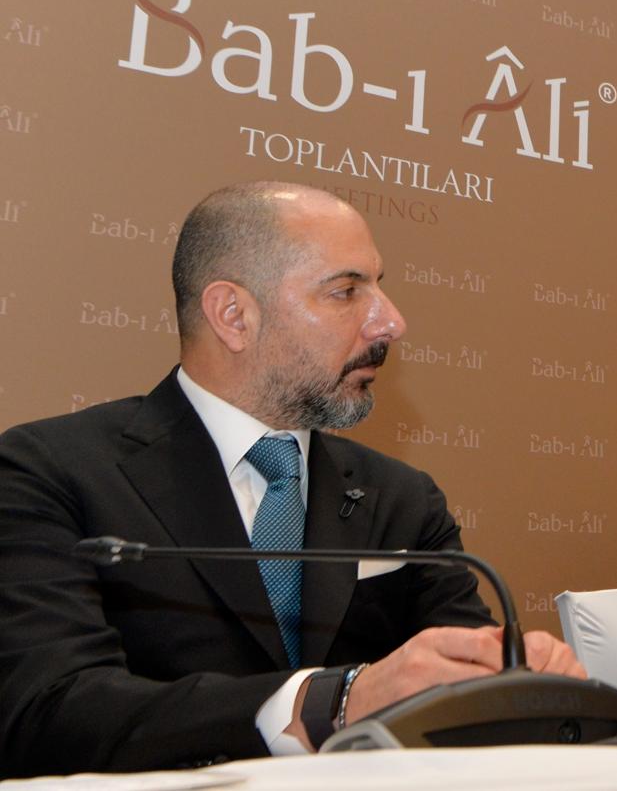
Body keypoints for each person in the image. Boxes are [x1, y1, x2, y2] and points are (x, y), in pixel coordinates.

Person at [0, 182, 583, 777]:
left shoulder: (402, 499)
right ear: (234, 315)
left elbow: (471, 704)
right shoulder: (48, 471)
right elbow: (49, 710)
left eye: (379, 286)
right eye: (346, 291)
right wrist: (324, 704)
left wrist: (515, 680)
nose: (391, 322)